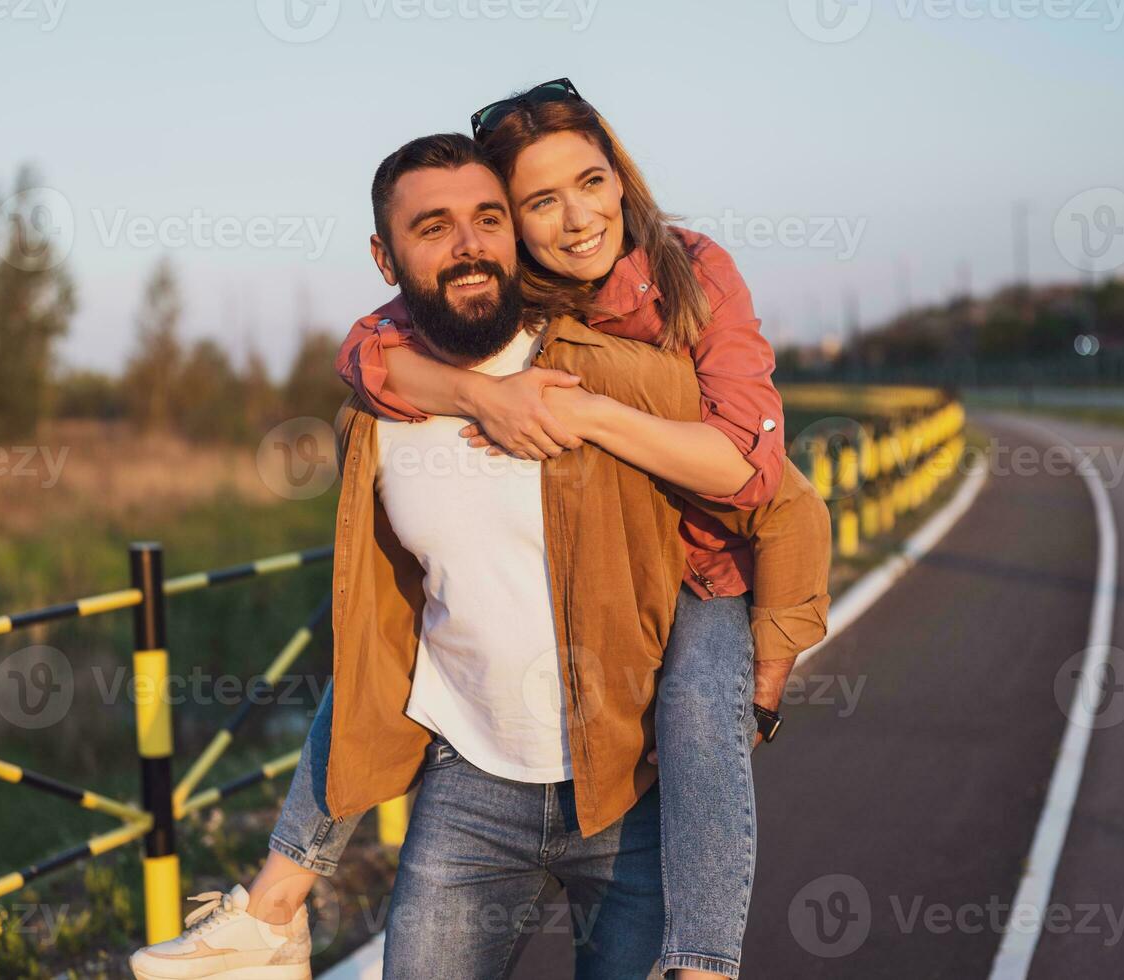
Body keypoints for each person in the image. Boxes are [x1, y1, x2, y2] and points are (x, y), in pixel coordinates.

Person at [129, 132, 828, 980]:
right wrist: (475, 395)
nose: (467, 244)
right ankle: (269, 919)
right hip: (470, 790)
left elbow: (781, 498)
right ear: (386, 258)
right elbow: (382, 627)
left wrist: (755, 691)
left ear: (513, 238)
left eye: (487, 218)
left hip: (629, 794)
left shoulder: (616, 377)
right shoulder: (378, 409)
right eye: (433, 227)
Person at [336, 80, 832, 980]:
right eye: (540, 202)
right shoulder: (505, 299)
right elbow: (366, 352)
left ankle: (705, 964)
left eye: (592, 182)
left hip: (703, 571)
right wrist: (481, 392)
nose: (577, 220)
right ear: (512, 221)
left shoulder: (691, 267)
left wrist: (595, 415)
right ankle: (275, 892)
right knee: (368, 660)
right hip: (580, 607)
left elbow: (752, 468)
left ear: (621, 177)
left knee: (696, 713)